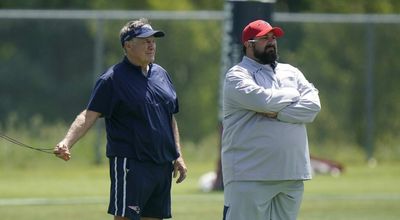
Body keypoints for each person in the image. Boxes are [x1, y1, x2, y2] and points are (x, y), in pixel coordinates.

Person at [53, 18, 187, 220]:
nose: (151, 45)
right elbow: (89, 114)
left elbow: (169, 117)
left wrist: (177, 154)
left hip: (161, 165)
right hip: (131, 164)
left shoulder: (162, 74)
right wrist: (67, 142)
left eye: (153, 40)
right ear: (128, 45)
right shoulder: (112, 79)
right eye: (145, 41)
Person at [221, 20, 321, 220]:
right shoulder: (237, 75)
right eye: (264, 38)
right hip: (250, 174)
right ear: (248, 44)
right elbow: (264, 101)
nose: (271, 42)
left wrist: (280, 113)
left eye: (273, 37)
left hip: (291, 173)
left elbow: (313, 107)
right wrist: (294, 94)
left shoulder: (291, 72)